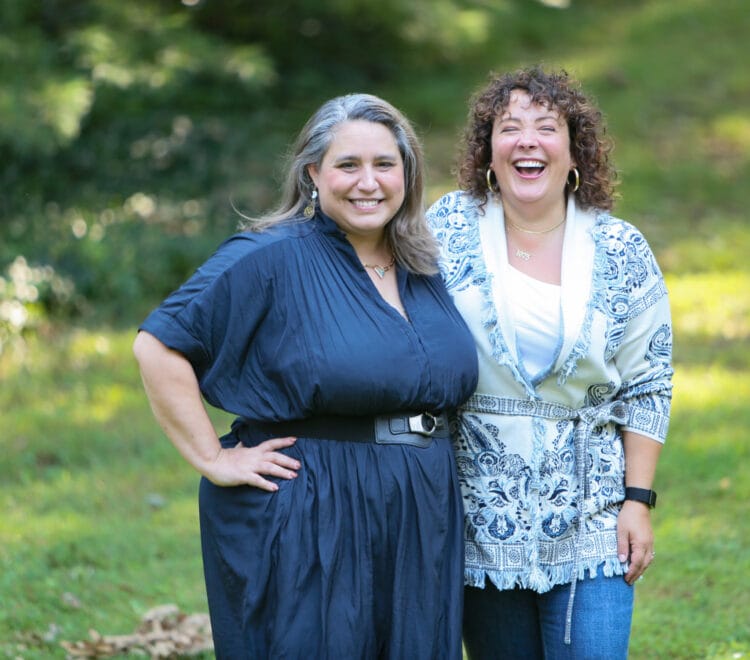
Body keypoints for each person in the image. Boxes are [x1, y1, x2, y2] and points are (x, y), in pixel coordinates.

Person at [133, 93, 479, 659]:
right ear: (313, 172)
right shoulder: (270, 256)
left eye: (384, 164)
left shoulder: (424, 264)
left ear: (407, 174)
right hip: (315, 505)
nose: (367, 182)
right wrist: (214, 458)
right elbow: (158, 346)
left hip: (420, 506)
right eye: (348, 165)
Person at [426, 66, 673, 659]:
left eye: (546, 127)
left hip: (592, 514)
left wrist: (637, 502)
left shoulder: (620, 249)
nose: (527, 141)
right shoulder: (444, 230)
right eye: (509, 128)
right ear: (488, 151)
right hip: (478, 514)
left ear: (573, 150)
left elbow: (649, 383)